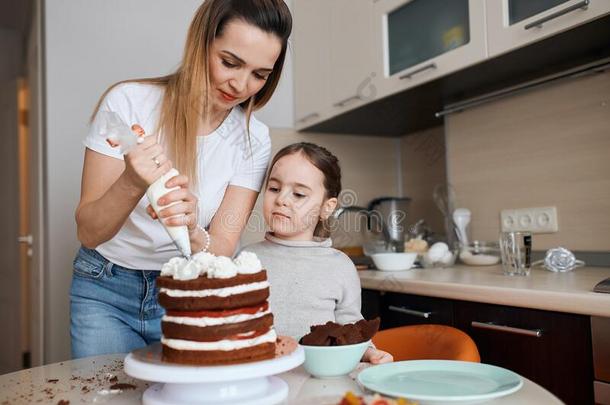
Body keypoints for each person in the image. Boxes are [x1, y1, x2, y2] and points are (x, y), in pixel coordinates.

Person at [71, 0, 292, 359]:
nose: (240, 84)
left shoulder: (254, 139)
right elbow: (89, 232)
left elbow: (223, 242)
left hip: (185, 293)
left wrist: (192, 231)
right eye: (229, 62)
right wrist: (132, 181)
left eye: (260, 74)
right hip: (104, 289)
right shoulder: (128, 103)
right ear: (200, 42)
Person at [243, 143, 393, 364]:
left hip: (318, 379)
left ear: (327, 207)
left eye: (299, 194)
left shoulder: (340, 266)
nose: (282, 199)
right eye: (274, 188)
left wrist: (369, 353)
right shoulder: (246, 259)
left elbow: (349, 327)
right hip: (259, 375)